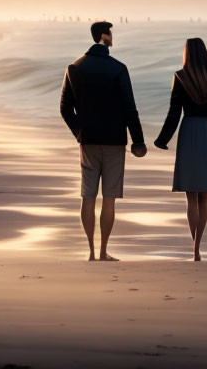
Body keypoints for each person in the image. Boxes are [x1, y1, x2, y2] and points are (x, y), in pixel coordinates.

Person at [60, 21, 147, 261]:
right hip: (114, 140)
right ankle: (103, 251)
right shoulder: (118, 69)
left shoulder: (75, 67)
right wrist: (138, 140)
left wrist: (79, 131)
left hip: (88, 140)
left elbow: (65, 108)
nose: (112, 36)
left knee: (88, 195)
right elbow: (130, 109)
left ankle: (90, 251)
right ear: (104, 36)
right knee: (109, 197)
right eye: (111, 33)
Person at [153, 38, 207, 261]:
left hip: (188, 134)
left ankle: (194, 250)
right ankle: (197, 247)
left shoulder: (180, 77)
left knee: (191, 198)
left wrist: (162, 139)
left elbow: (174, 113)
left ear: (187, 54)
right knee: (203, 198)